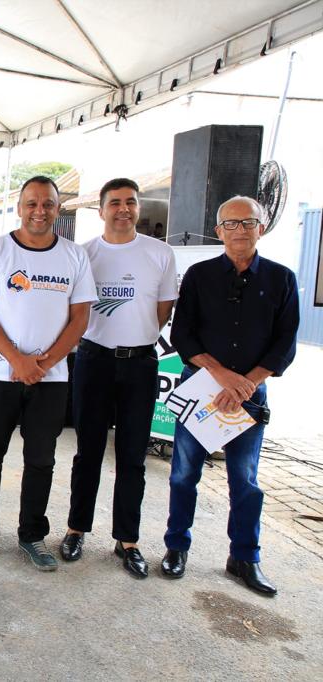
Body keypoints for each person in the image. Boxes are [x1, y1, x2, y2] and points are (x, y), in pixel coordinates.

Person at [0, 176, 97, 571]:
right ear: (20, 208)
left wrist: (44, 363)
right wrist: (17, 360)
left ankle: (32, 534)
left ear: (58, 209)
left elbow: (80, 317)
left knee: (41, 460)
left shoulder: (74, 256)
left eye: (48, 204)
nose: (40, 211)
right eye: (32, 203)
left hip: (50, 380)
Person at [162, 196, 298, 596]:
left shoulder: (281, 279)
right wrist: (221, 376)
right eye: (231, 224)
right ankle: (176, 547)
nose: (240, 230)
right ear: (218, 231)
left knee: (245, 480)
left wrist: (246, 384)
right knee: (184, 474)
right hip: (202, 387)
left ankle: (244, 557)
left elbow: (285, 343)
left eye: (248, 222)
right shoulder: (199, 276)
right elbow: (182, 334)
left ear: (262, 227)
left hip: (249, 395)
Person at [59, 178, 177, 578]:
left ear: (138, 208)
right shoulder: (83, 254)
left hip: (140, 364)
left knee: (132, 455)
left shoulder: (159, 253)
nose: (123, 209)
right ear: (101, 210)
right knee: (88, 451)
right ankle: (76, 529)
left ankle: (127, 540)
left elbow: (162, 310)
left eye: (130, 202)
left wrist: (136, 337)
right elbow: (73, 309)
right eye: (115, 203)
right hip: (93, 360)